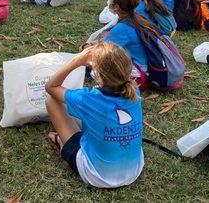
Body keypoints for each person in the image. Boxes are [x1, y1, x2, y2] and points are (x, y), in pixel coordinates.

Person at [44, 42, 144, 188]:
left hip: (96, 176)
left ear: (96, 73)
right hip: (133, 172)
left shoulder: (88, 97)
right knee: (93, 120)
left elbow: (51, 87)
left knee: (52, 101)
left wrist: (76, 61)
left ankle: (61, 142)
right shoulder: (135, 91)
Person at [101, 0, 151, 87]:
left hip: (138, 75)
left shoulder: (122, 28)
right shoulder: (138, 19)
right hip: (146, 68)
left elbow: (101, 52)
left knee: (95, 63)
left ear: (116, 7)